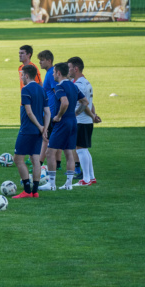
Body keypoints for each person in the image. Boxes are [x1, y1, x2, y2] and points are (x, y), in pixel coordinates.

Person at [38, 63, 93, 191]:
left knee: (50, 152)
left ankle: (51, 184)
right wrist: (75, 113)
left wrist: (58, 116)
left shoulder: (59, 87)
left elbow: (65, 102)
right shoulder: (73, 86)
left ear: (58, 73)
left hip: (62, 123)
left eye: (54, 72)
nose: (52, 74)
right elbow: (85, 102)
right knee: (68, 152)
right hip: (73, 122)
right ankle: (68, 184)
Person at [12, 65, 50, 199]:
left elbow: (28, 111)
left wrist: (40, 127)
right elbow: (47, 111)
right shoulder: (42, 89)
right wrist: (45, 128)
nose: (21, 77)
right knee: (35, 159)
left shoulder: (26, 90)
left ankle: (27, 190)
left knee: (18, 159)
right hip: (38, 131)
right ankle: (35, 191)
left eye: (22, 75)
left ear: (26, 76)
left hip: (27, 129)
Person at [68, 57, 102, 186]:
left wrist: (90, 116)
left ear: (75, 68)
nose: (68, 70)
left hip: (81, 121)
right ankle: (91, 177)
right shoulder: (86, 82)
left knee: (80, 150)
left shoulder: (78, 85)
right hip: (86, 121)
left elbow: (85, 105)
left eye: (69, 67)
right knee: (84, 149)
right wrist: (93, 115)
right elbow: (90, 103)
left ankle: (86, 179)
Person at [37, 50, 59, 168]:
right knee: (49, 138)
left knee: (46, 137)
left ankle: (39, 163)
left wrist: (55, 113)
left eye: (42, 60)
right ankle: (55, 163)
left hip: (51, 112)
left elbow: (57, 93)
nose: (40, 62)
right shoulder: (49, 72)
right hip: (49, 111)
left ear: (49, 61)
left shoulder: (52, 73)